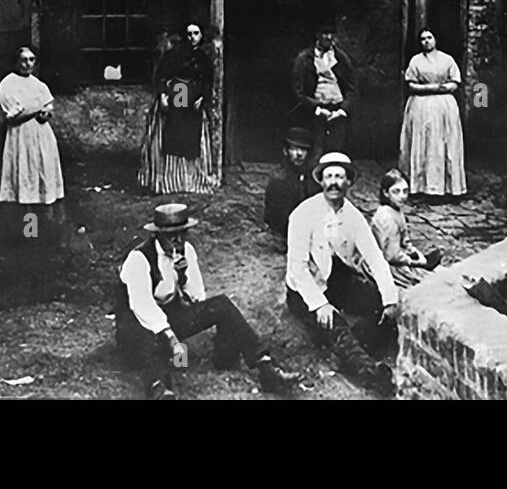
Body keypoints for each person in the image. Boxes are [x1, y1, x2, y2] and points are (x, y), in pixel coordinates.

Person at [116, 203, 300, 399]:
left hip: (169, 317)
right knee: (151, 343)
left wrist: (183, 275)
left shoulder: (186, 250)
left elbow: (198, 298)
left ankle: (265, 366)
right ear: (157, 235)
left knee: (221, 305)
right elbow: (142, 305)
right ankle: (160, 388)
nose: (177, 241)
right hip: (137, 324)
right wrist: (169, 336)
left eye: (182, 234)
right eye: (171, 236)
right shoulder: (139, 259)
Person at [286, 152, 399, 397]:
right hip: (305, 289)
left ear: (348, 182)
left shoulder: (353, 216)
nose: (334, 182)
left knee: (379, 304)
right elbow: (298, 268)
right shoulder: (302, 214)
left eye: (340, 176)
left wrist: (390, 298)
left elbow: (375, 258)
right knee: (333, 322)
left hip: (336, 278)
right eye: (328, 177)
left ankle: (346, 349)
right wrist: (319, 304)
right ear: (321, 182)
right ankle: (370, 372)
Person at [139, 22, 216, 196]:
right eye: (189, 34)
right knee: (167, 137)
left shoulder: (204, 59)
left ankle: (190, 181)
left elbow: (207, 82)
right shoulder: (172, 55)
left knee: (191, 139)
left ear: (201, 36)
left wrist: (203, 97)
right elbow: (161, 76)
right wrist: (163, 95)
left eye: (196, 33)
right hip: (173, 102)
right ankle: (167, 182)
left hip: (192, 105)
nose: (192, 37)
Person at [0, 46, 65, 241]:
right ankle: (26, 233)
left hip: (42, 137)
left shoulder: (39, 85)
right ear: (16, 62)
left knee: (41, 179)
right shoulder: (7, 85)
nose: (27, 64)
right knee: (24, 180)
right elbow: (13, 118)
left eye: (31, 60)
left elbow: (47, 107)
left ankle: (44, 233)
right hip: (20, 137)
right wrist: (36, 110)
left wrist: (45, 113)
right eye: (24, 60)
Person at [399, 28, 467, 197]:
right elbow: (411, 85)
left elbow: (454, 83)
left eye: (429, 37)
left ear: (435, 39)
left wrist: (444, 88)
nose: (426, 41)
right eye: (422, 39)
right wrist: (434, 87)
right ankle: (420, 186)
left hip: (444, 107)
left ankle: (446, 187)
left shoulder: (447, 60)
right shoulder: (416, 61)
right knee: (422, 143)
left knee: (443, 144)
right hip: (421, 106)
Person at [291, 26, 358, 158]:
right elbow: (297, 91)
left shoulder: (341, 58)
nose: (329, 37)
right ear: (318, 35)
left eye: (332, 33)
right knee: (314, 151)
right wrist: (317, 109)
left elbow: (353, 88)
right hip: (314, 112)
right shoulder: (304, 59)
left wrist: (342, 111)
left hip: (337, 112)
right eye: (325, 33)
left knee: (336, 152)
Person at [371, 169, 444, 290]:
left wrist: (415, 252)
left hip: (398, 256)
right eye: (396, 192)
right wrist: (416, 262)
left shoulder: (396, 211)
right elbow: (391, 256)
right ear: (385, 193)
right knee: (433, 285)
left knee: (437, 277)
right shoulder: (387, 218)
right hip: (390, 266)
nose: (402, 196)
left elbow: (405, 242)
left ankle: (424, 264)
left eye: (405, 191)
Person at [262, 127, 320, 243]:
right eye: (294, 149)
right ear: (286, 151)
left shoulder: (311, 176)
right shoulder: (279, 180)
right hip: (285, 233)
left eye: (303, 150)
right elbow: (278, 217)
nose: (299, 154)